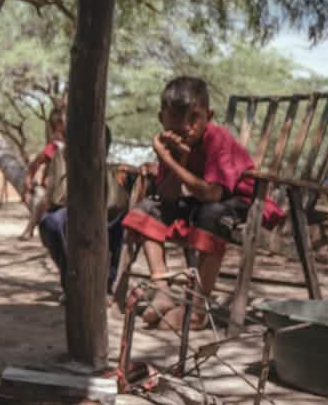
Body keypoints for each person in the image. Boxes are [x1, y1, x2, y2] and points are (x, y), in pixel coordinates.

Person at [121, 76, 284, 330]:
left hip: (240, 203)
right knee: (148, 209)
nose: (186, 126)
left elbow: (213, 194)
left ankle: (197, 310)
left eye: (194, 117)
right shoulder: (173, 143)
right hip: (197, 202)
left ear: (209, 115)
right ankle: (162, 288)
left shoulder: (218, 140)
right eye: (175, 117)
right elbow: (168, 198)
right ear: (161, 118)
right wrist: (176, 160)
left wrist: (170, 160)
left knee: (211, 215)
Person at [37, 126, 130, 297]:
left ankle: (107, 283)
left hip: (105, 219)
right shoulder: (62, 159)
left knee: (123, 219)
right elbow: (57, 198)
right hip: (71, 215)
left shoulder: (114, 171)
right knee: (52, 222)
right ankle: (72, 283)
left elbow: (116, 203)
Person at [19, 108, 66, 240]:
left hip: (68, 186)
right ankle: (30, 228)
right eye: (63, 121)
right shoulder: (54, 147)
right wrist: (27, 184)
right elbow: (35, 165)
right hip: (54, 187)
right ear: (58, 125)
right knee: (44, 201)